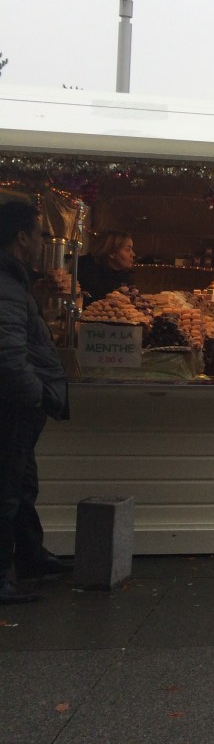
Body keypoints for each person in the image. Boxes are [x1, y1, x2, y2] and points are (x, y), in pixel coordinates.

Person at [0, 201, 72, 605]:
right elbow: (7, 356)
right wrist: (36, 396)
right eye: (40, 233)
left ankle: (30, 557)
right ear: (21, 238)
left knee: (22, 485)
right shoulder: (7, 285)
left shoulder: (16, 283)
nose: (44, 242)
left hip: (18, 407)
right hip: (11, 407)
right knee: (7, 490)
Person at [76, 231, 135, 306]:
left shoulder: (126, 276)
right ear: (111, 253)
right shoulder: (87, 271)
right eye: (128, 249)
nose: (133, 254)